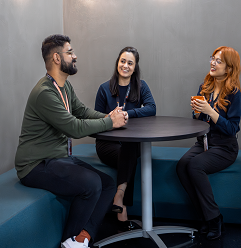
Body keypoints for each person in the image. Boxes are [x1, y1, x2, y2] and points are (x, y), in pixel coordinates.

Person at [15, 34, 128, 248]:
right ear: (57, 58)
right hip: (35, 165)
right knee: (91, 184)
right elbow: (74, 127)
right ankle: (69, 242)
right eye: (70, 52)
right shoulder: (44, 93)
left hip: (58, 158)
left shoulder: (64, 87)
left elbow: (82, 111)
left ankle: (82, 237)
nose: (75, 56)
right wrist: (110, 123)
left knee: (108, 184)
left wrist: (108, 116)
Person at [176, 46, 241, 240]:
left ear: (229, 68)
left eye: (219, 61)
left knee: (195, 165)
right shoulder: (204, 87)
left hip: (225, 147)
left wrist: (211, 111)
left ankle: (215, 218)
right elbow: (198, 121)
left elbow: (232, 128)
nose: (213, 63)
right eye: (212, 59)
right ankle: (205, 217)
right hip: (204, 142)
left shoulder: (234, 94)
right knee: (181, 166)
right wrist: (197, 112)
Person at [94, 47, 156, 231]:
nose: (125, 66)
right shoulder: (104, 88)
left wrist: (129, 114)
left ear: (135, 67)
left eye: (130, 63)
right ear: (117, 62)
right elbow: (95, 118)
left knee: (130, 146)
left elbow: (152, 108)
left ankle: (119, 197)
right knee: (129, 153)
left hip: (129, 143)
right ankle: (122, 205)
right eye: (123, 61)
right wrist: (110, 118)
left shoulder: (141, 86)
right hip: (107, 144)